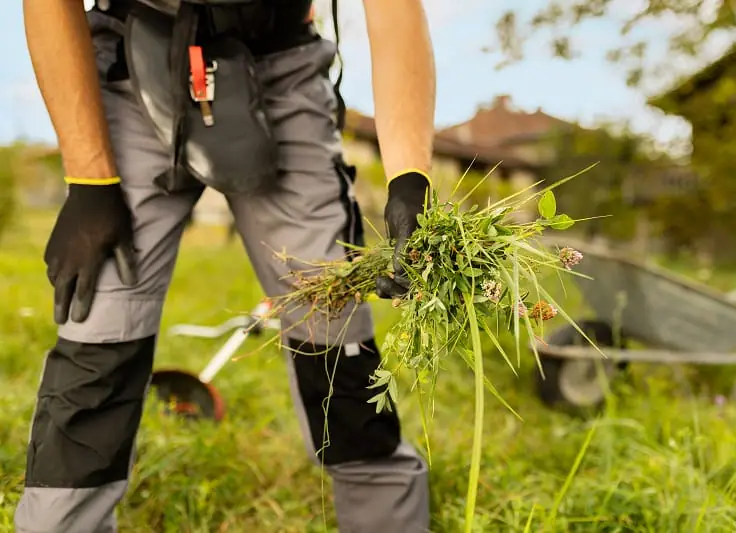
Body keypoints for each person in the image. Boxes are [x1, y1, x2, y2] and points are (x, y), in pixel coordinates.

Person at [15, 0, 435, 532]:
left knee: (335, 337)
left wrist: (409, 176)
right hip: (130, 59)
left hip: (280, 67)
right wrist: (91, 179)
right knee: (98, 333)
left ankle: (387, 519)